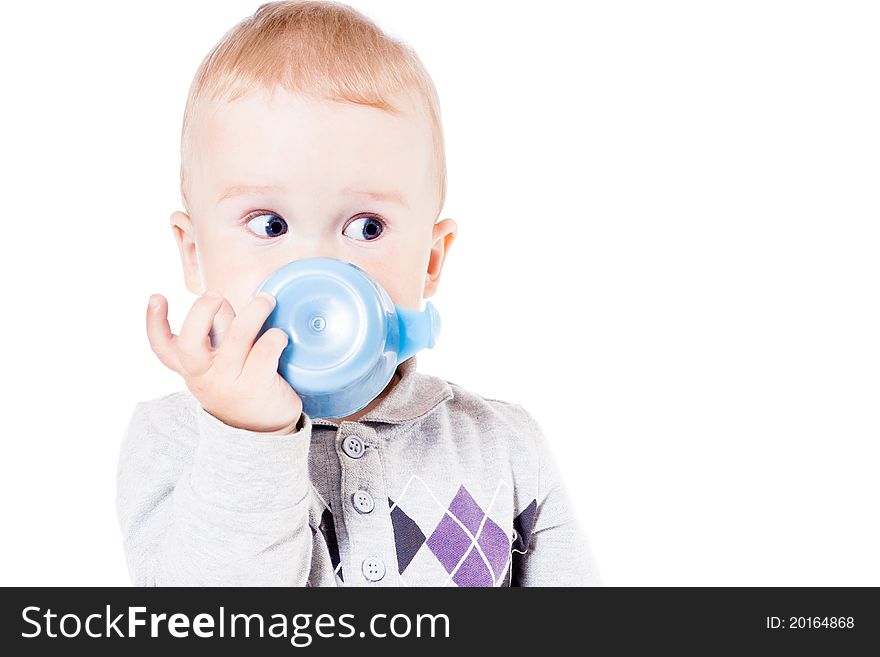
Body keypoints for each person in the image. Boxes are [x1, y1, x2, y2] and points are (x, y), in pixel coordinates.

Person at [116, 0, 601, 586]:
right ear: (194, 253)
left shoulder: (502, 445)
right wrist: (250, 438)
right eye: (269, 224)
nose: (317, 270)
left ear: (429, 260)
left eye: (367, 227)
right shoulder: (174, 443)